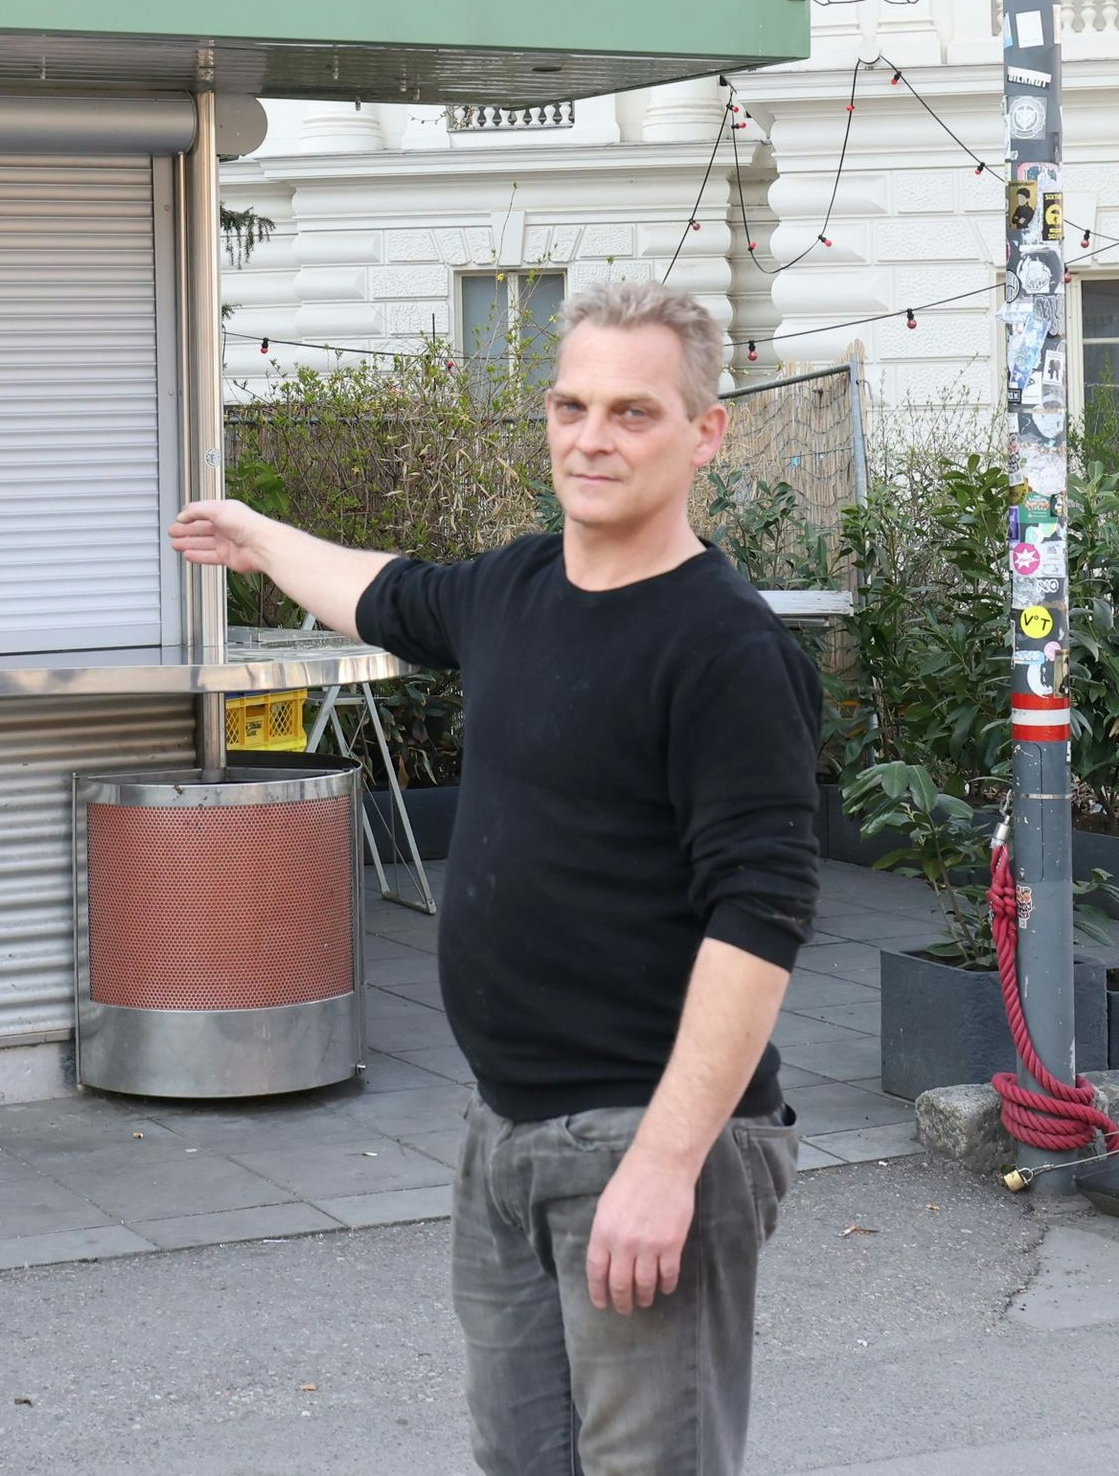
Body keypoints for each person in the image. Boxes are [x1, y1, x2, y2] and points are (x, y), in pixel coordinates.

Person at [171, 279, 820, 1476]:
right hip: (507, 1133)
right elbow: (381, 589)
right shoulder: (515, 590)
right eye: (571, 406)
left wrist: (666, 1163)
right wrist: (256, 536)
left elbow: (761, 915)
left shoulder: (726, 647)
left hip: (643, 1137)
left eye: (632, 412)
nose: (591, 438)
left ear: (705, 433)